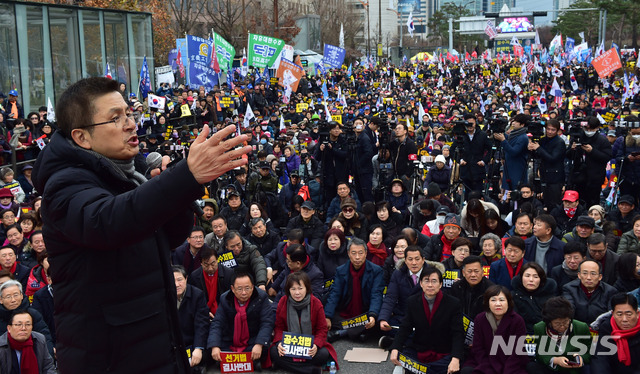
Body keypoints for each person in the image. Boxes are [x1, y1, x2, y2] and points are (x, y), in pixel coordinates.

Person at [31, 77, 251, 373]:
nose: (131, 124)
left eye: (129, 113)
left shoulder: (128, 174)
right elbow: (109, 221)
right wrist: (185, 177)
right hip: (110, 358)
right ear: (82, 137)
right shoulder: (64, 184)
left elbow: (168, 236)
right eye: (115, 118)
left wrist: (174, 188)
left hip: (157, 344)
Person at [389, 267, 464, 374]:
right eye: (426, 281)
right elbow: (405, 327)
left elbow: (458, 332)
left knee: (451, 367)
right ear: (421, 283)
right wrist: (395, 348)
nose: (430, 285)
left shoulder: (453, 303)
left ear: (440, 284)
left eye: (434, 281)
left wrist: (456, 358)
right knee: (405, 358)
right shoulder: (412, 301)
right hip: (420, 349)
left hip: (444, 350)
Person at [269, 272, 338, 374]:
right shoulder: (283, 302)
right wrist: (279, 343)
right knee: (274, 351)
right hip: (290, 346)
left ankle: (286, 365)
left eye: (300, 288)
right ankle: (309, 370)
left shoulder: (316, 303)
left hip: (309, 345)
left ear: (307, 288)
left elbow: (322, 329)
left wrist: (316, 345)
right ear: (288, 290)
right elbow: (279, 327)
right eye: (293, 289)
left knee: (323, 353)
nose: (297, 293)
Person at [207, 272, 274, 368]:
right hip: (230, 340)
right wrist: (214, 346)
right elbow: (217, 323)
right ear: (232, 289)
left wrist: (259, 344)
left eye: (247, 288)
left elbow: (267, 322)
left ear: (253, 287)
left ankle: (242, 361)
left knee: (264, 350)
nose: (244, 292)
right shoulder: (225, 299)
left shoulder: (261, 297)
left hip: (252, 340)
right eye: (239, 289)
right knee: (212, 349)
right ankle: (249, 362)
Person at [323, 238, 384, 342]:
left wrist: (373, 315)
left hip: (365, 311)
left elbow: (376, 295)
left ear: (365, 253)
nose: (357, 257)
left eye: (360, 253)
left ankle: (342, 333)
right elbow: (335, 294)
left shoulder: (376, 271)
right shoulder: (341, 270)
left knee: (378, 319)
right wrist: (327, 316)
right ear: (348, 254)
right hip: (345, 311)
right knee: (328, 317)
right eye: (354, 253)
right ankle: (359, 333)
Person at [460, 285, 529, 374]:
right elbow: (478, 349)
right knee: (467, 371)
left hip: (511, 363)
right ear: (487, 302)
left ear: (508, 302)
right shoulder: (480, 319)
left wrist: (507, 371)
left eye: (501, 300)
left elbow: (518, 351)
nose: (498, 304)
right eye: (493, 300)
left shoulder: (517, 320)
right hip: (485, 361)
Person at [528, 296, 591, 374]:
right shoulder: (539, 328)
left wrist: (581, 358)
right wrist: (554, 360)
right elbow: (539, 354)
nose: (562, 326)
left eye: (565, 322)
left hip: (574, 370)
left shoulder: (581, 327)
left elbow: (589, 352)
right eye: (557, 324)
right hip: (551, 369)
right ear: (549, 322)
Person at [0, 281, 53, 356]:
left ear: (22, 296)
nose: (13, 300)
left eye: (16, 295)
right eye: (8, 297)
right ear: (1, 300)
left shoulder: (33, 314)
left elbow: (45, 338)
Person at [568, 116, 612, 207]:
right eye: (586, 128)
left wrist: (592, 151)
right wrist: (572, 149)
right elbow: (567, 155)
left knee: (592, 203)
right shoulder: (578, 137)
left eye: (591, 129)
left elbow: (607, 157)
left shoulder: (602, 140)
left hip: (594, 178)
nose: (588, 131)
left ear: (597, 128)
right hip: (578, 176)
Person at [592, 293, 640, 373]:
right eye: (619, 314)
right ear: (613, 314)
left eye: (629, 314)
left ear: (637, 314)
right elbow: (600, 359)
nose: (624, 319)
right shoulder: (606, 328)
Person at [172, 266, 209, 371]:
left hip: (192, 342)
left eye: (180, 280)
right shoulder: (166, 295)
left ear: (186, 279)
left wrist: (198, 348)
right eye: (172, 281)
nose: (176, 285)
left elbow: (201, 324)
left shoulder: (197, 295)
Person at [562, 259, 617, 324]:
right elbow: (569, 310)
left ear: (600, 277)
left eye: (593, 274)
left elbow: (610, 315)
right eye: (585, 273)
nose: (588, 277)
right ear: (579, 275)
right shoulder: (569, 288)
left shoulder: (610, 291)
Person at [528, 118, 566, 211]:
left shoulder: (560, 142)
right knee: (547, 202)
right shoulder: (543, 140)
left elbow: (552, 158)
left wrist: (539, 148)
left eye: (552, 130)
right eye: (548, 129)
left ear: (557, 130)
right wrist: (532, 149)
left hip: (555, 177)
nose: (549, 132)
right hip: (544, 175)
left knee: (554, 204)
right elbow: (537, 156)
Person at [187, 246, 235, 319]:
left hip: (224, 310)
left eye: (213, 264)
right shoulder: (195, 276)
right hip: (203, 311)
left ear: (217, 260)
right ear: (201, 263)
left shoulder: (228, 273)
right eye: (206, 265)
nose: (210, 268)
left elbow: (231, 297)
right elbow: (194, 299)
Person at [450, 113, 490, 194]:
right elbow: (452, 150)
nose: (470, 125)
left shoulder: (482, 135)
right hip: (465, 170)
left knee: (478, 194)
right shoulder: (461, 136)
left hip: (478, 170)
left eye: (472, 123)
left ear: (475, 123)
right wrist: (459, 160)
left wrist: (484, 161)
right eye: (468, 123)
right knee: (467, 195)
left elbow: (490, 149)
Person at [511, 262, 557, 333]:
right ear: (521, 277)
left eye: (535, 276)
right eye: (527, 276)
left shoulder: (550, 296)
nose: (531, 280)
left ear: (541, 279)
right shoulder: (514, 296)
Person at [448, 255, 495, 322]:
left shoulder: (490, 289)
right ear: (463, 273)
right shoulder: (457, 287)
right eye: (469, 271)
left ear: (482, 272)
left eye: (476, 271)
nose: (473, 275)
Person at [494, 114, 530, 192]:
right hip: (509, 167)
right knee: (507, 191)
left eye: (516, 121)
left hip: (517, 169)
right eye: (513, 121)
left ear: (522, 124)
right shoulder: (514, 134)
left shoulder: (523, 137)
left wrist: (503, 140)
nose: (513, 123)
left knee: (515, 191)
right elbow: (507, 141)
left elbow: (514, 152)